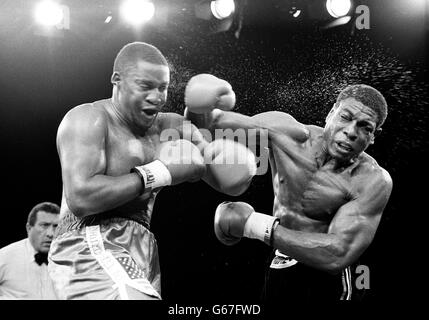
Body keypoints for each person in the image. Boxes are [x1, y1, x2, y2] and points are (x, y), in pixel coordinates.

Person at [48, 42, 257, 300]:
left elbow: (225, 179)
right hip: (89, 241)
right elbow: (81, 198)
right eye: (145, 86)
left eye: (163, 88)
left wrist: (203, 120)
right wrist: (159, 172)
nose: (156, 97)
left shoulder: (169, 126)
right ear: (117, 80)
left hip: (142, 248)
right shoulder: (88, 118)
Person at [185, 75, 393, 301]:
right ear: (331, 113)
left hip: (330, 278)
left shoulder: (372, 179)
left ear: (373, 136)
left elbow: (337, 255)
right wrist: (197, 106)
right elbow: (207, 125)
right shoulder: (287, 134)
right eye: (346, 117)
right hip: (280, 258)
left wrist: (252, 224)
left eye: (365, 127)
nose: (351, 131)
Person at [0, 202, 60, 299]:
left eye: (56, 226)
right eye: (44, 225)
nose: (51, 234)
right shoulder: (4, 256)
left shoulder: (69, 259)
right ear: (29, 228)